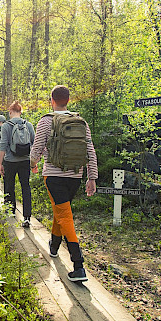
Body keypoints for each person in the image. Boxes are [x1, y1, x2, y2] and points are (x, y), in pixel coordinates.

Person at [30, 85, 98, 283]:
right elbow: (90, 151)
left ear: (52, 100)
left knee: (64, 215)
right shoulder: (80, 121)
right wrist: (91, 177)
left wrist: (33, 165)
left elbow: (36, 150)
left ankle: (78, 266)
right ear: (68, 100)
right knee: (61, 211)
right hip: (75, 177)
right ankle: (54, 245)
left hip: (53, 176)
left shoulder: (46, 120)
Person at [0, 101, 35, 228]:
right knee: (26, 187)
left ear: (10, 112)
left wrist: (0, 163)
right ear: (20, 112)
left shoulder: (6, 126)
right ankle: (26, 217)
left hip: (10, 161)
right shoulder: (28, 125)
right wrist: (33, 162)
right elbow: (34, 143)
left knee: (9, 186)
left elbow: (2, 145)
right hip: (25, 161)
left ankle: (10, 212)